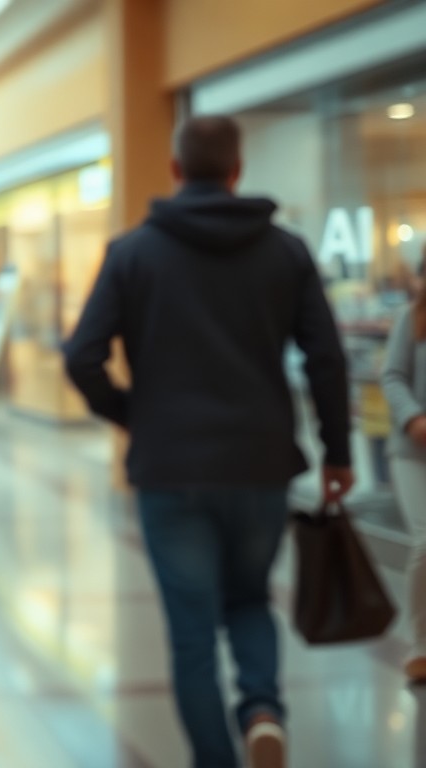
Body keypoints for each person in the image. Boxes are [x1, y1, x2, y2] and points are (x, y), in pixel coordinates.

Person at [63, 115, 353, 768]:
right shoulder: (286, 250)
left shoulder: (132, 252)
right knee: (250, 600)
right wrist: (337, 452)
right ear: (237, 169)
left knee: (192, 638)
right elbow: (326, 358)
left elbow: (82, 355)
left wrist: (130, 413)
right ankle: (261, 711)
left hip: (171, 471)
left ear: (174, 169)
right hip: (261, 465)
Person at [383, 256, 426, 685]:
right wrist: (413, 418)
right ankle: (420, 644)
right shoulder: (410, 321)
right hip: (413, 453)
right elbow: (392, 376)